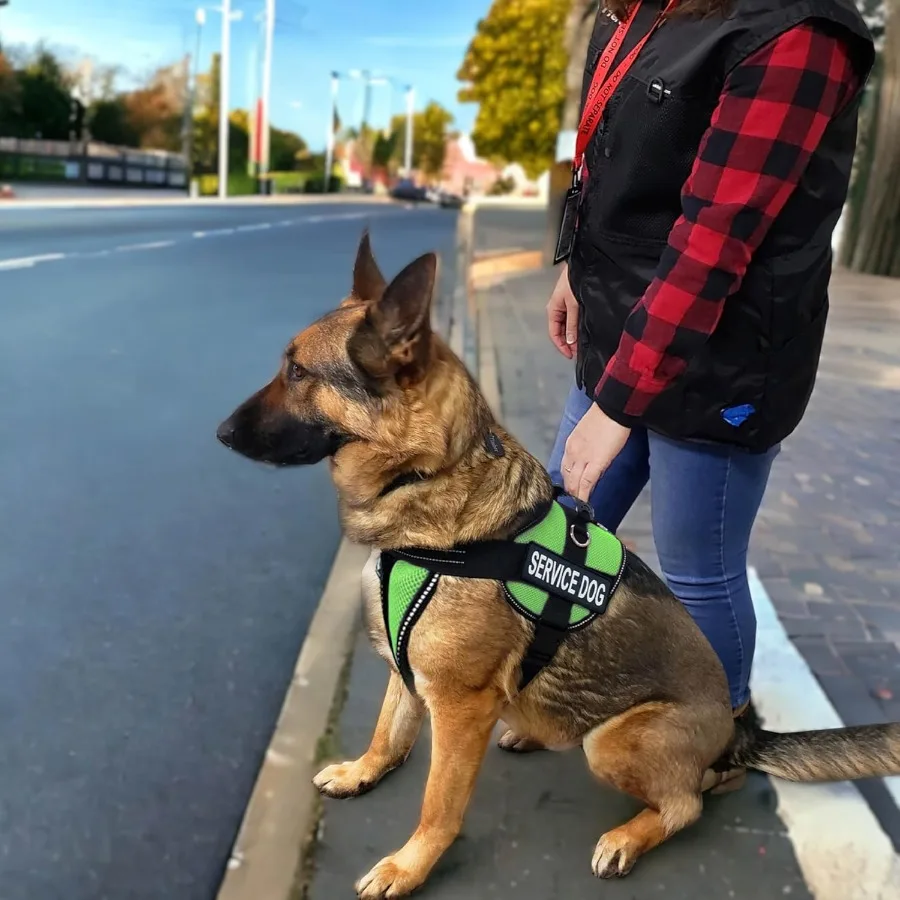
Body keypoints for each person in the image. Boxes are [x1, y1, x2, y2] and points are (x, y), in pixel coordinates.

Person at [546, 0, 875, 718]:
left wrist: (617, 406)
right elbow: (608, 159)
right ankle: (552, 690)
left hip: (725, 355)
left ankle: (717, 727)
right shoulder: (642, 8)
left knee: (696, 569)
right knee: (559, 531)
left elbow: (714, 242)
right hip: (623, 329)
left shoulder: (797, 33)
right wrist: (574, 262)